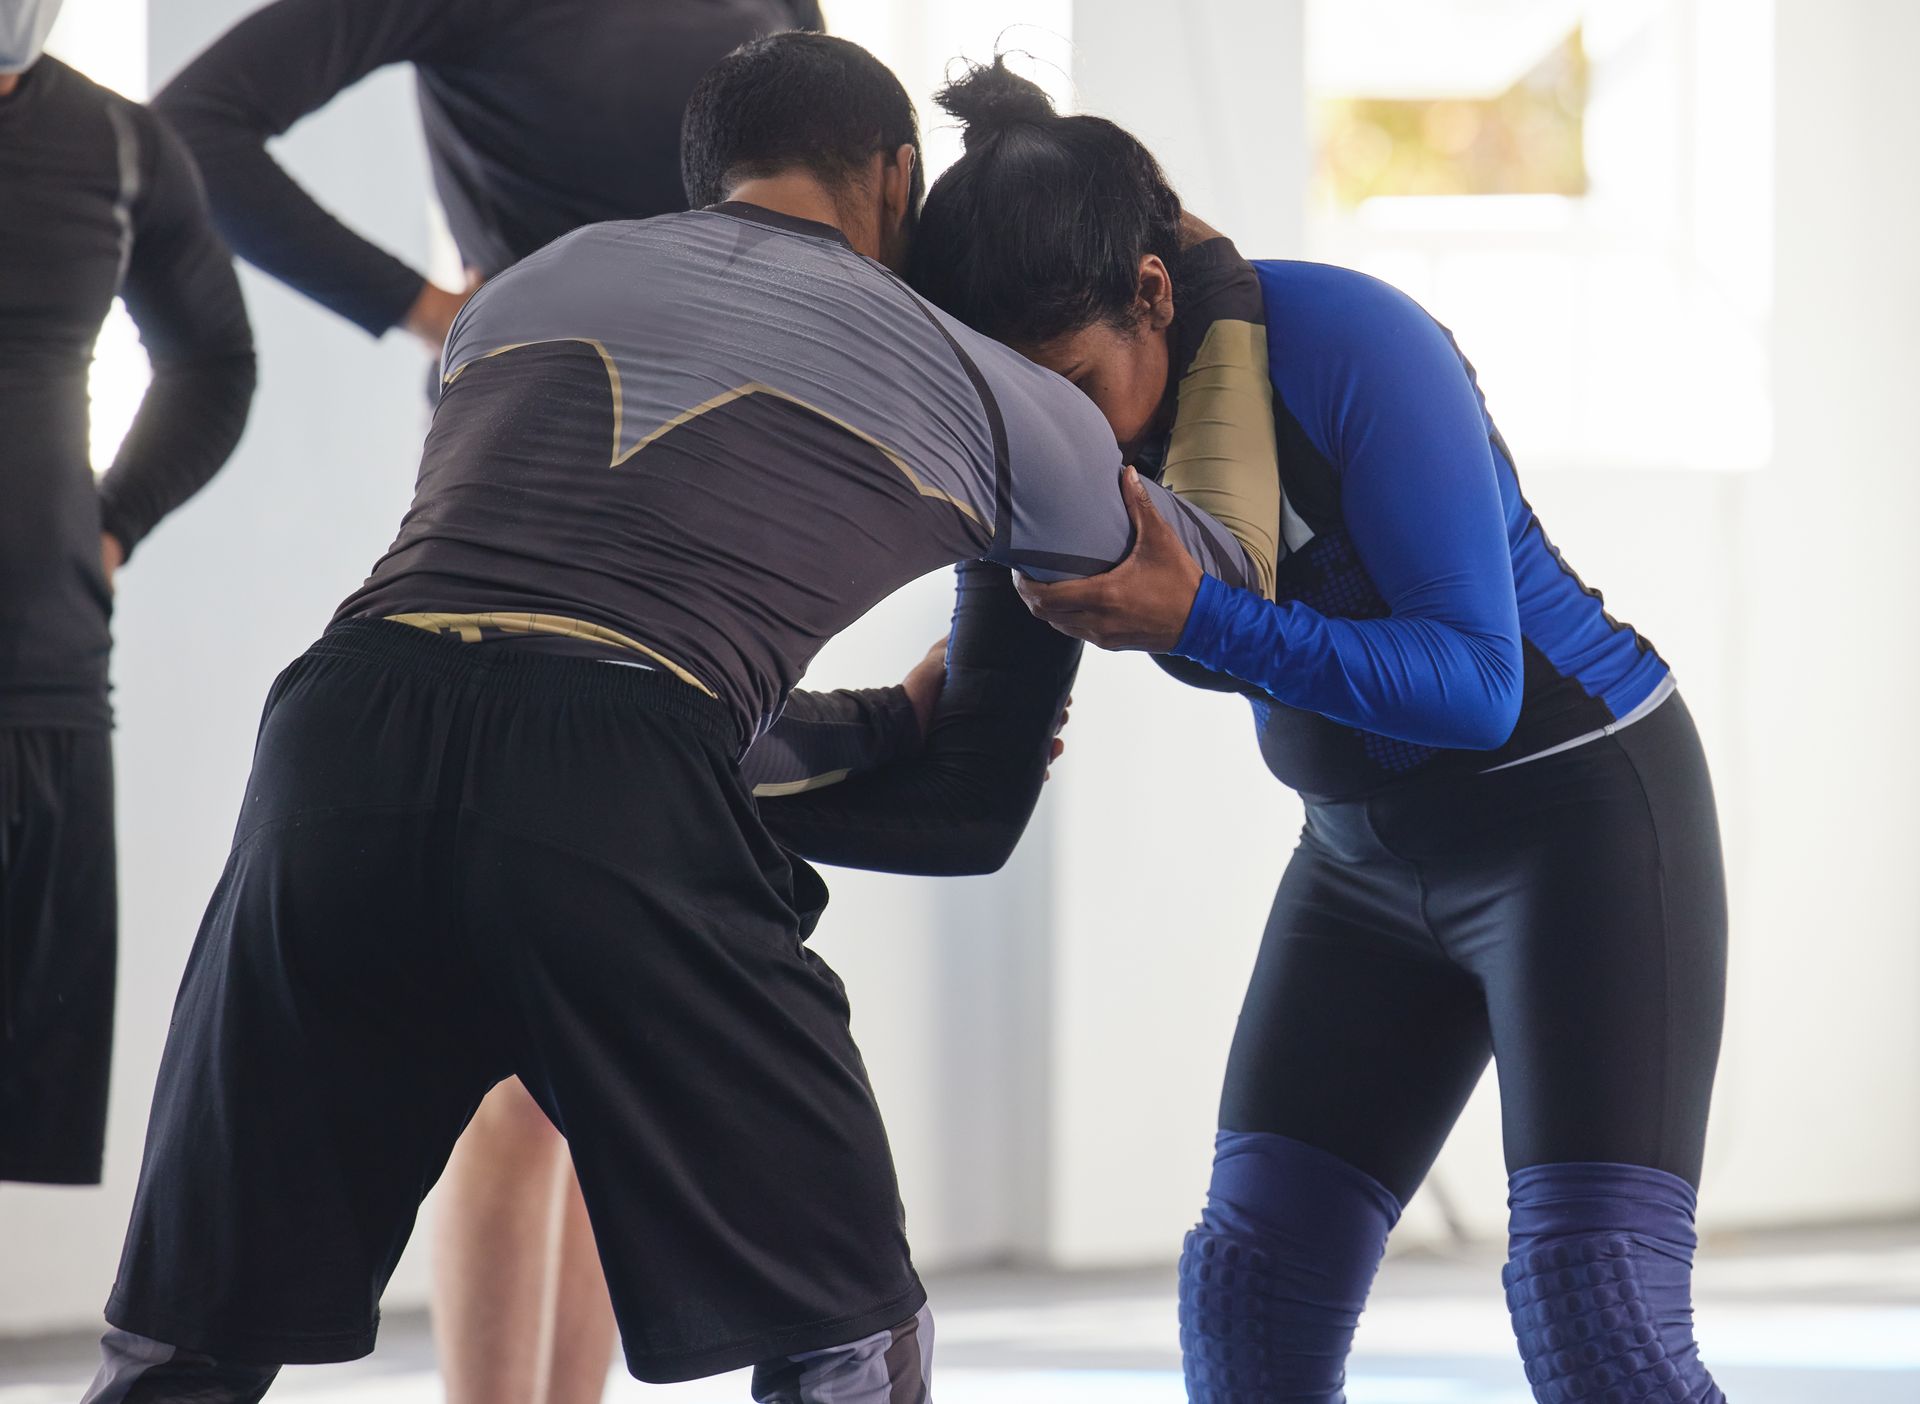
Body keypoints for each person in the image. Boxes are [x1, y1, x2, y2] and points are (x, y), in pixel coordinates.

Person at [83, 33, 1261, 1404]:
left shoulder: (519, 292)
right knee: (846, 1338)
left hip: (332, 743)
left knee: (188, 1340)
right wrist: (1221, 284)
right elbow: (1219, 582)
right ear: (894, 179)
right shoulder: (991, 387)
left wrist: (879, 719)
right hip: (616, 776)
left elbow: (554, 644)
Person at [905, 60, 1730, 1404]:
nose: (1047, 430)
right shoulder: (1045, 428)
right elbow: (973, 778)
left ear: (1153, 298)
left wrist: (1200, 622)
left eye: (1068, 383)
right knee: (1250, 1306)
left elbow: (1477, 687)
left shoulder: (1350, 344)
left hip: (1575, 824)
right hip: (1360, 862)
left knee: (1597, 1313)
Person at [152, 5, 820, 1397]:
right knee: (516, 1061)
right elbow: (197, 129)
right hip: (534, 511)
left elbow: (821, 174)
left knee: (609, 1040)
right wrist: (434, 310)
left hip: (731, 519)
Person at [0, 0, 255, 1190]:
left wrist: (111, 525)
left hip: (43, 687)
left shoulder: (116, 142)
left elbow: (213, 358)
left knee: (18, 1114)